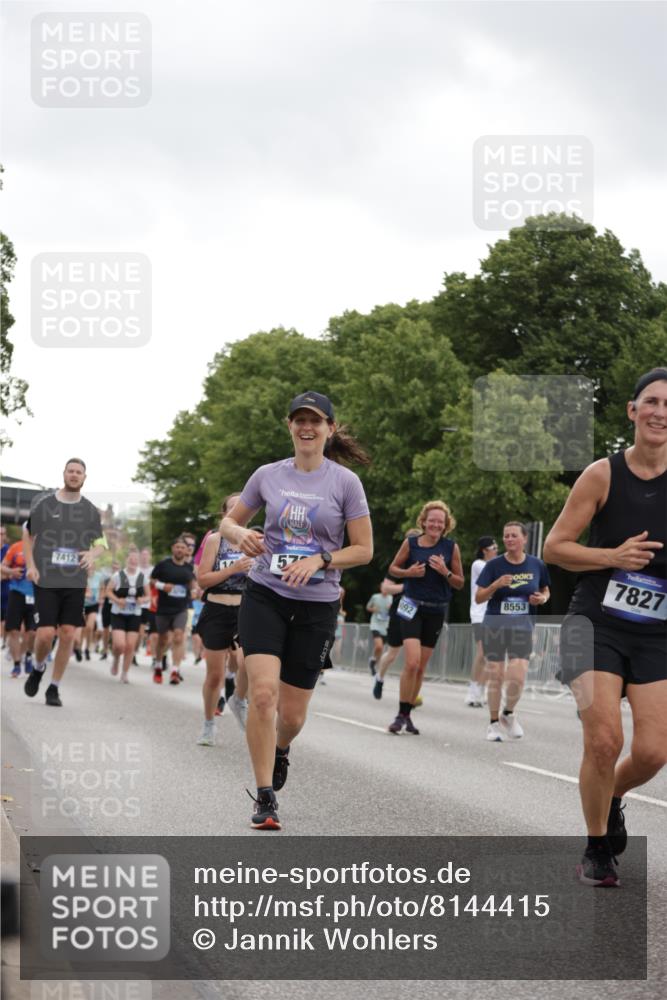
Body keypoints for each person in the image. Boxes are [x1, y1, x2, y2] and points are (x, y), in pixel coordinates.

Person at [220, 391, 373, 829]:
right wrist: (238, 536)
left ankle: (281, 748)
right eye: (299, 420)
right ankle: (265, 796)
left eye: (316, 421)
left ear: (329, 428)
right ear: (290, 426)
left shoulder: (345, 483)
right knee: (263, 695)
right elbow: (230, 521)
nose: (307, 427)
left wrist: (322, 560)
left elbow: (364, 550)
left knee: (292, 715)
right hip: (266, 593)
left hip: (317, 604)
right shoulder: (268, 475)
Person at [543, 368, 667, 888]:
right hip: (593, 623)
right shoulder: (602, 475)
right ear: (632, 411)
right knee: (603, 739)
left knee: (654, 751)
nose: (662, 412)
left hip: (657, 631)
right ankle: (597, 847)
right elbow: (554, 548)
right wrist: (611, 556)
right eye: (652, 402)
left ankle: (613, 795)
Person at [22, 459, 107, 707]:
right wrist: (30, 565)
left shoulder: (90, 510)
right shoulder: (46, 504)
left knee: (68, 633)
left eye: (78, 472)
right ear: (64, 474)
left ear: (84, 477)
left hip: (75, 580)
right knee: (46, 634)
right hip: (46, 578)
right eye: (70, 471)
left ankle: (54, 687)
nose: (74, 475)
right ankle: (38, 667)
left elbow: (101, 543)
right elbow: (28, 534)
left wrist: (93, 554)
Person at [386, 501, 464, 734]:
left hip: (435, 609)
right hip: (411, 605)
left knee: (420, 668)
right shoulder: (411, 544)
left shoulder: (451, 548)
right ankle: (400, 715)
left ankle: (408, 714)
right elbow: (393, 569)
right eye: (432, 520)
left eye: (440, 521)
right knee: (411, 662)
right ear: (424, 521)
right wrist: (408, 573)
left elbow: (459, 583)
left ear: (445, 524)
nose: (436, 524)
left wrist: (445, 571)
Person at [475, 522, 550, 742]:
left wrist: (543, 598)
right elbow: (479, 597)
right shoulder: (494, 566)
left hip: (522, 628)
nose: (509, 539)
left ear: (524, 539)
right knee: (496, 676)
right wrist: (496, 585)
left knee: (518, 677)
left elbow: (545, 590)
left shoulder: (536, 564)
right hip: (495, 626)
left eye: (513, 536)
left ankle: (507, 713)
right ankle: (493, 723)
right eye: (506, 536)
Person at [195, 493, 253, 746]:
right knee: (215, 676)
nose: (238, 512)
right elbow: (203, 580)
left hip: (246, 611)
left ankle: (238, 698)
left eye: (243, 507)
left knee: (247, 663)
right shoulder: (215, 540)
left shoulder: (256, 541)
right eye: (232, 508)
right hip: (217, 610)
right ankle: (209, 724)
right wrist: (233, 569)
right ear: (225, 514)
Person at [150, 537, 196, 684]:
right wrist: (162, 586)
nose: (180, 550)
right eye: (177, 547)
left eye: (182, 547)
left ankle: (175, 671)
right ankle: (158, 664)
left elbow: (192, 583)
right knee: (162, 640)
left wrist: (194, 590)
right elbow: (151, 580)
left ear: (186, 550)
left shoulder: (188, 567)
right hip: (163, 608)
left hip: (181, 608)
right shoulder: (163, 565)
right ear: (173, 549)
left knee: (178, 636)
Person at [106, 550, 151, 682]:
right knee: (119, 645)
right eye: (131, 559)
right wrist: (117, 600)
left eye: (135, 560)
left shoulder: (142, 577)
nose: (133, 561)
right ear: (127, 560)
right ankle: (116, 659)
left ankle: (125, 673)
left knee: (130, 645)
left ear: (138, 561)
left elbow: (149, 596)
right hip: (118, 613)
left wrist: (142, 600)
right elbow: (108, 591)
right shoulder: (118, 575)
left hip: (134, 614)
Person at [465, 536, 498, 707]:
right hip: (479, 613)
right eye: (493, 548)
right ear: (485, 550)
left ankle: (480, 689)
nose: (496, 550)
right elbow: (494, 579)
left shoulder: (494, 565)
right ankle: (472, 690)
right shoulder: (479, 565)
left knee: (491, 656)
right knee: (482, 653)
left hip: (494, 614)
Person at [2, 537, 36, 676]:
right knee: (13, 630)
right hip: (16, 593)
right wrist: (11, 572)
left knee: (32, 632)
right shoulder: (16, 547)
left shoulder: (45, 549)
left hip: (36, 595)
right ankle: (16, 664)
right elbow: (2, 565)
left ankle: (27, 655)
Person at [372, 580, 404, 699]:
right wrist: (408, 587)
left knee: (415, 659)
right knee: (392, 655)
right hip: (400, 612)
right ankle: (379, 677)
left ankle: (409, 695)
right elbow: (386, 587)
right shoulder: (401, 563)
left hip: (421, 611)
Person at [366, 581, 393, 676]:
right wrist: (373, 609)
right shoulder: (375, 597)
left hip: (385, 625)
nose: (385, 590)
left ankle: (373, 662)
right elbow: (368, 607)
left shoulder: (391, 598)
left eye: (387, 588)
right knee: (379, 646)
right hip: (375, 624)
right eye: (383, 587)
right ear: (381, 588)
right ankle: (374, 662)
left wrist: (391, 608)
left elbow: (394, 611)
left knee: (381, 649)